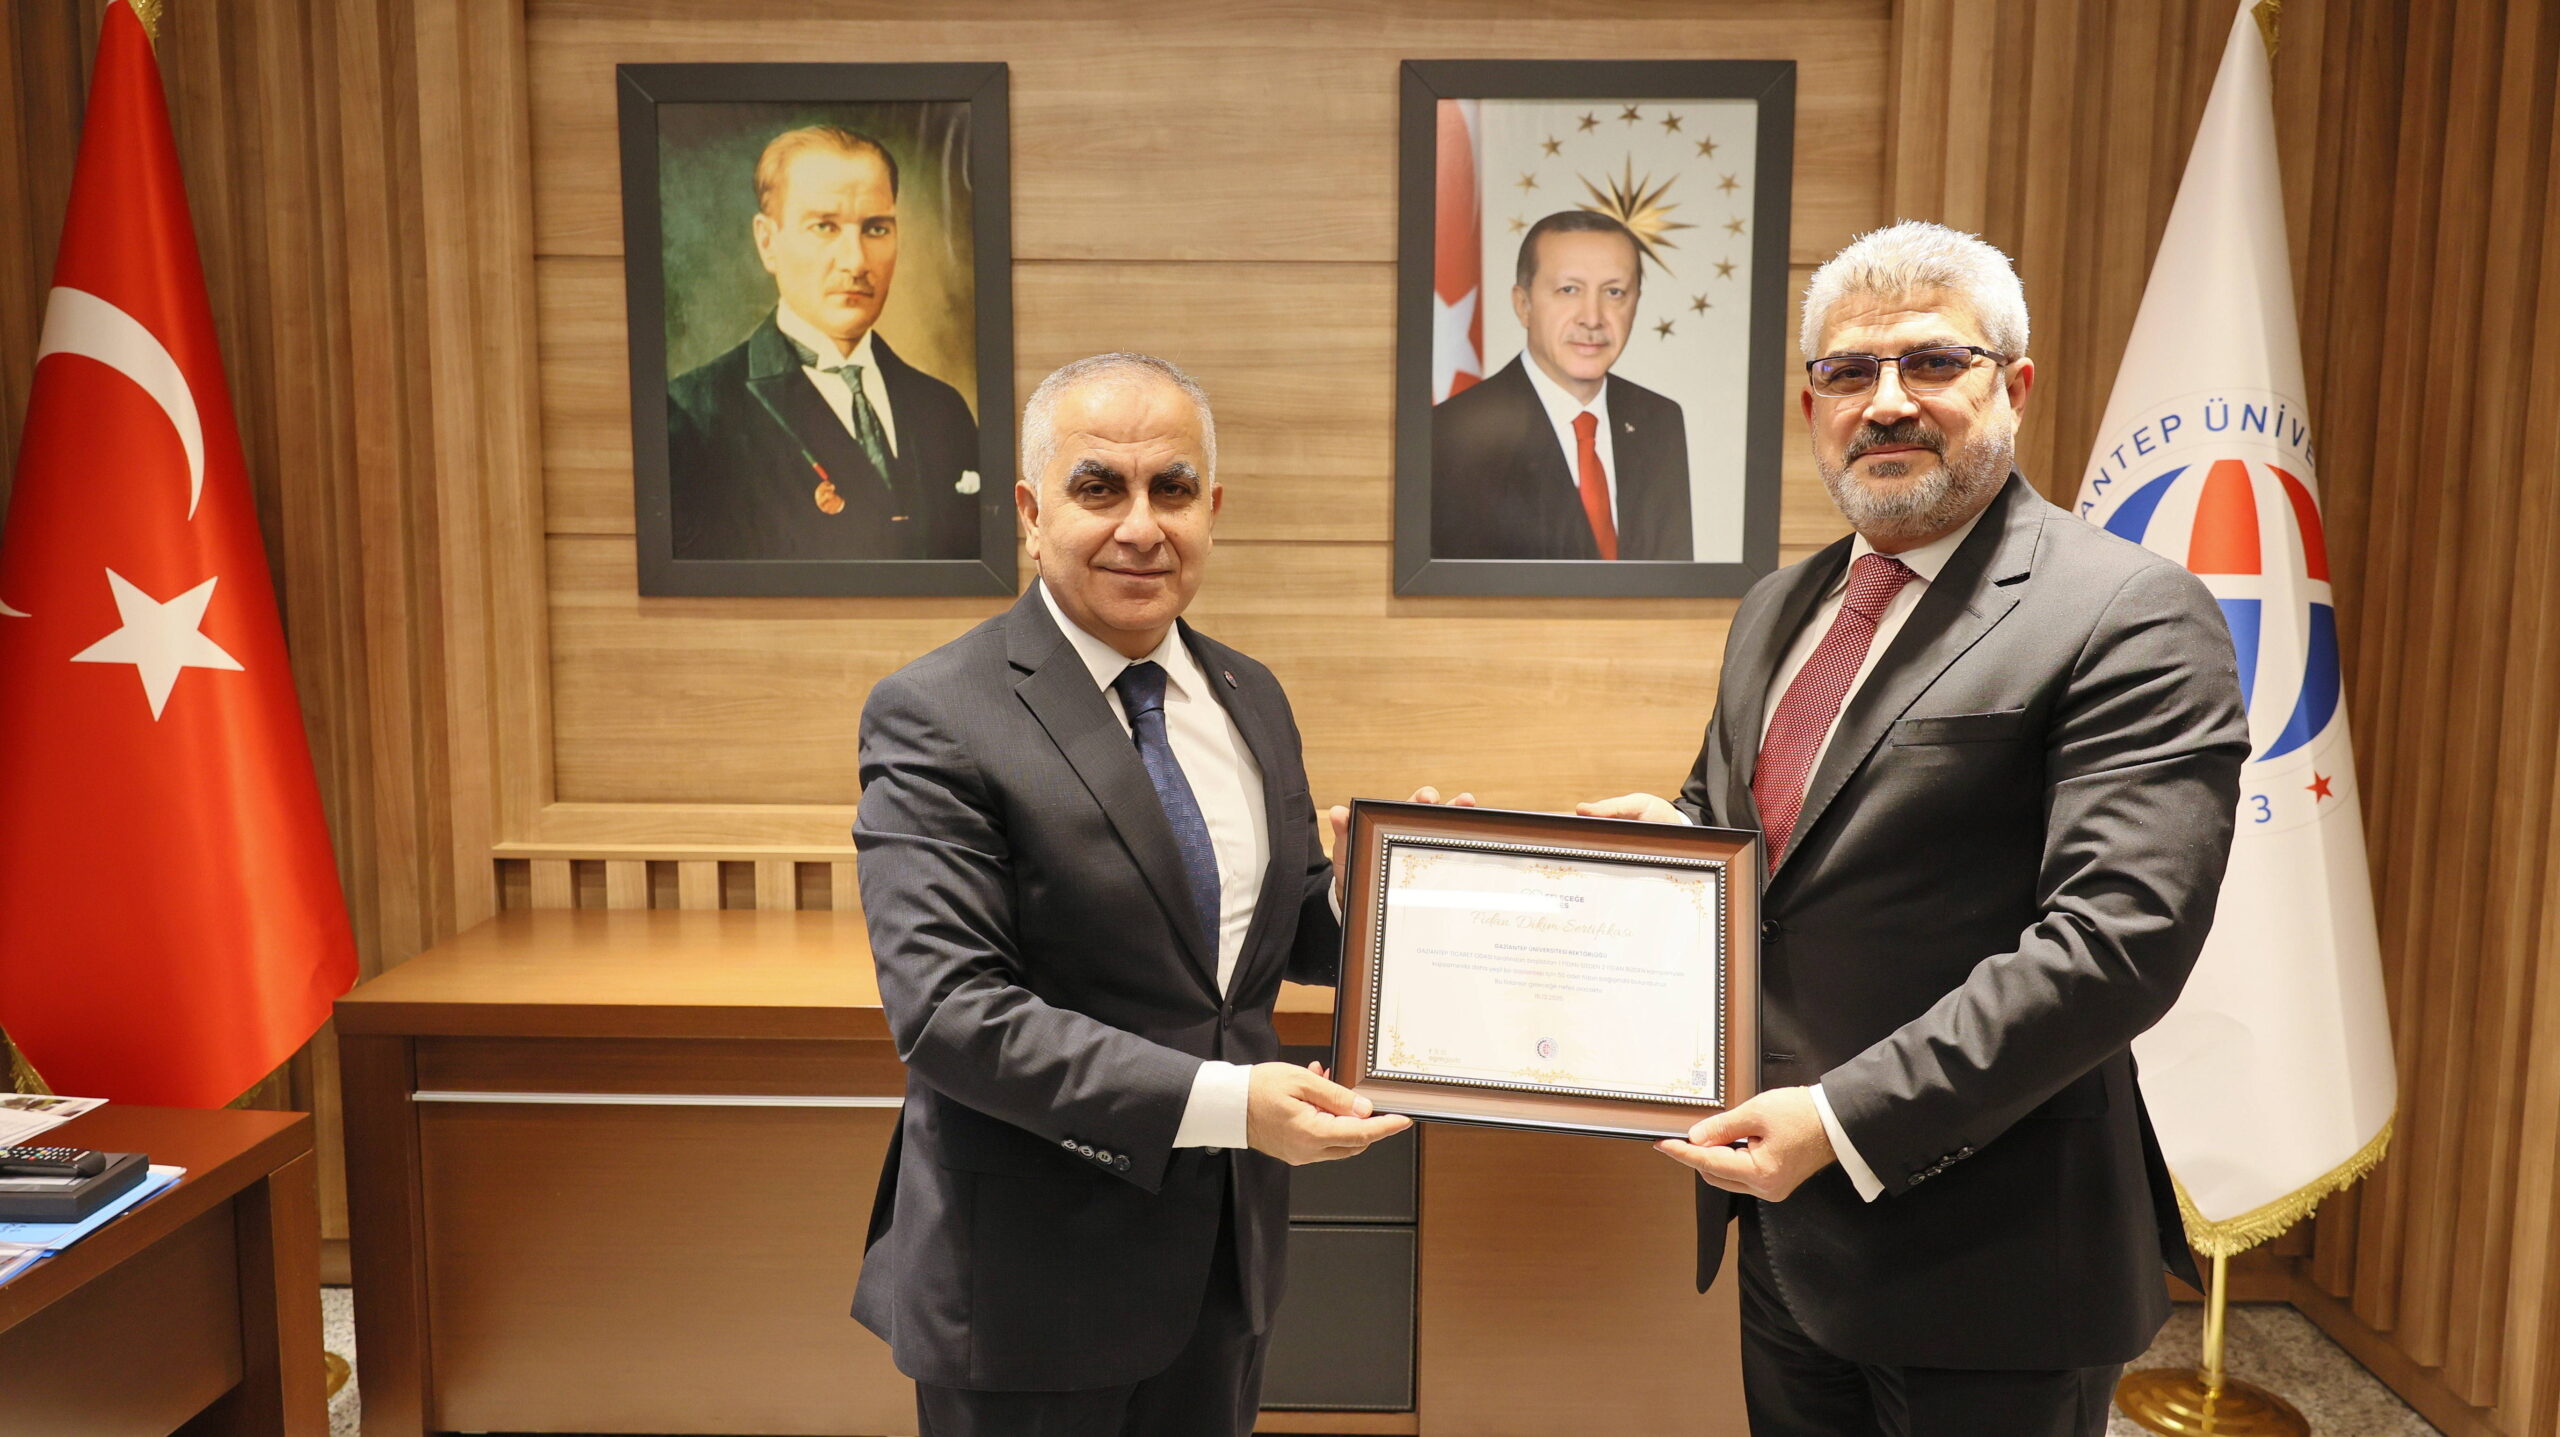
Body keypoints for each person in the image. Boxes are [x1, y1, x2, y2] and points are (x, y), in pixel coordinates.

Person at [1581, 220, 2250, 1436]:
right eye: (1849, 371)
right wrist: (1663, 848)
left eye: (1932, 362)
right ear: (1811, 407)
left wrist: (1843, 1123)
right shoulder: (1780, 605)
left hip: (1994, 1258)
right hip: (1784, 1232)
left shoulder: (2128, 612)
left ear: (2015, 386)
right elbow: (1758, 842)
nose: (1886, 401)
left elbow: (2117, 943)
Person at [851, 353, 1414, 1435]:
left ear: (1213, 509)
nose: (1142, 526)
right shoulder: (939, 712)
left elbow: (1266, 939)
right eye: (1099, 486)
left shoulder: (1250, 694)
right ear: (1031, 512)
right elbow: (950, 1013)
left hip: (1223, 1269)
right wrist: (1229, 1105)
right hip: (1027, 1285)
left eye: (1174, 489)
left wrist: (1370, 899)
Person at [667, 125, 980, 561]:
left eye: (875, 229)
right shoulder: (694, 414)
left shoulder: (943, 409)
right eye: (824, 226)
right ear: (767, 242)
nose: (855, 262)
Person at [1431, 209, 1692, 561]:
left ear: (1635, 304)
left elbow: (1673, 580)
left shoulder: (1658, 420)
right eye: (1569, 290)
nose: (1592, 318)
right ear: (1523, 305)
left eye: (1614, 292)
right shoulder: (1453, 433)